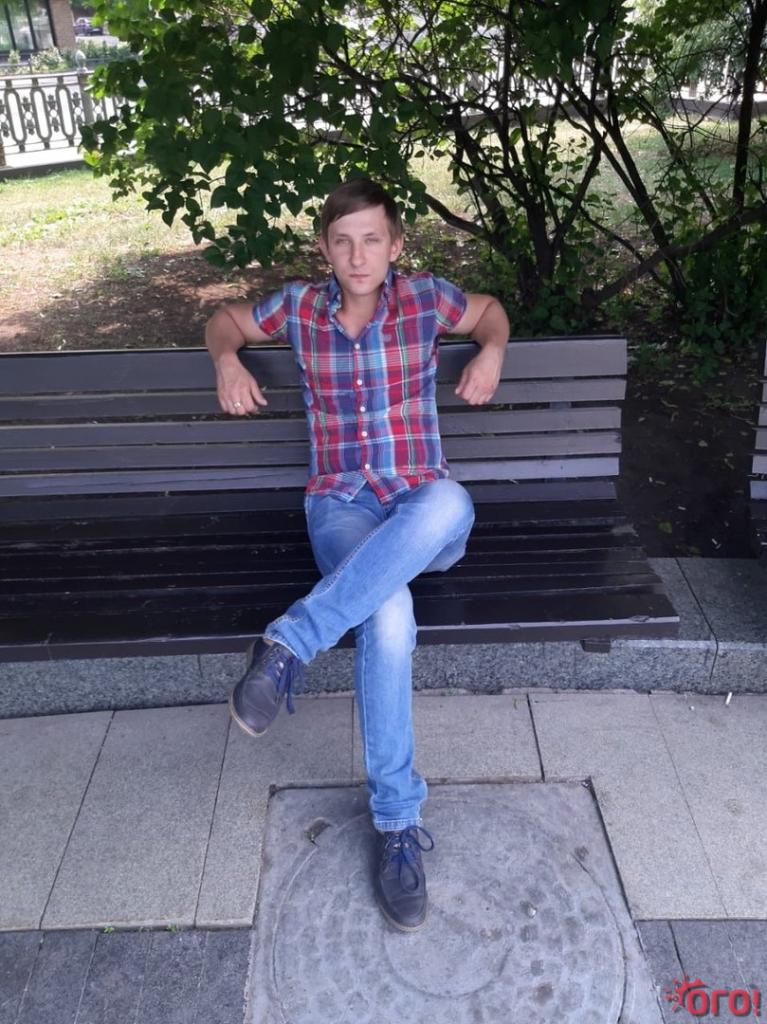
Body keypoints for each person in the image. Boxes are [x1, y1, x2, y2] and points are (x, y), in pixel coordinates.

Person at [204, 178, 509, 931]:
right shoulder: (299, 308)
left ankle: (289, 644)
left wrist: (492, 351)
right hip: (341, 507)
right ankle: (398, 823)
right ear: (324, 249)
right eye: (342, 241)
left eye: (372, 239)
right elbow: (225, 320)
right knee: (388, 611)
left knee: (450, 500)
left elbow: (489, 312)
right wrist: (227, 362)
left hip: (420, 509)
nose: (358, 255)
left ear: (395, 244)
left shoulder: (426, 298)